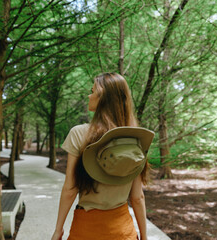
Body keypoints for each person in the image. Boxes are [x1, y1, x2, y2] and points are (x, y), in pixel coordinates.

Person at [51, 72, 155, 240]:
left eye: (92, 91)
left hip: (86, 230)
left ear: (102, 98)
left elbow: (70, 189)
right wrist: (144, 236)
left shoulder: (79, 134)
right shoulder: (136, 140)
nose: (89, 95)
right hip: (123, 231)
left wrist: (58, 230)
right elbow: (137, 197)